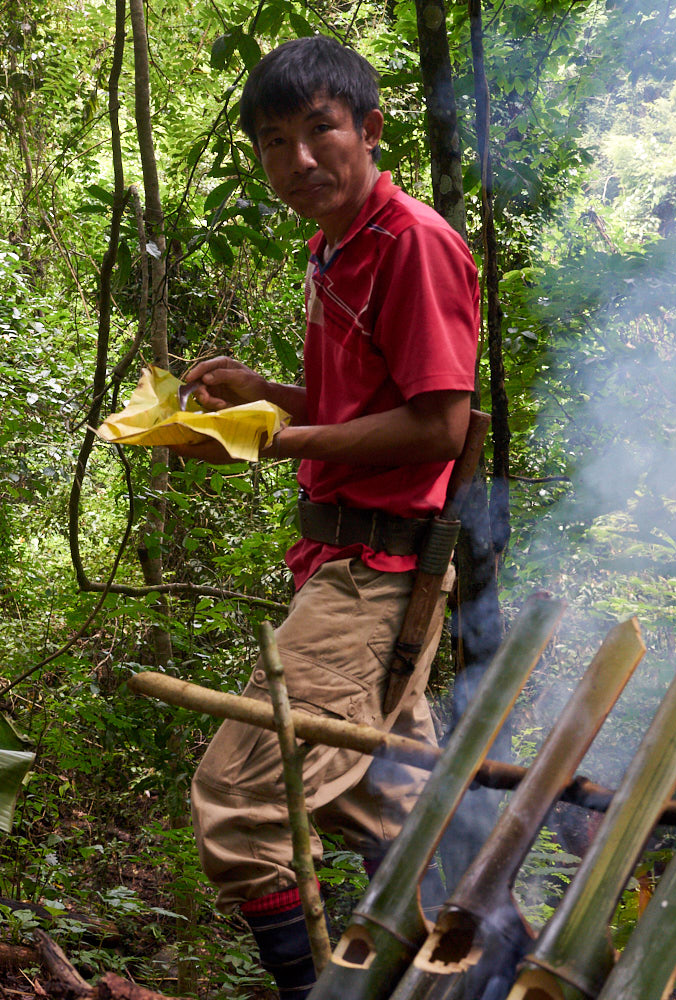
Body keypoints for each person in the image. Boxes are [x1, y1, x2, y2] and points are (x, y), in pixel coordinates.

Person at [173, 36, 481, 1000]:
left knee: (239, 804)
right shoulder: (335, 248)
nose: (297, 159)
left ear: (369, 129)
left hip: (378, 575)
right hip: (345, 562)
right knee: (393, 805)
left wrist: (271, 440)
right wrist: (264, 395)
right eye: (274, 142)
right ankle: (471, 975)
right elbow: (364, 406)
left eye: (319, 131)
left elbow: (440, 425)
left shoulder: (411, 242)